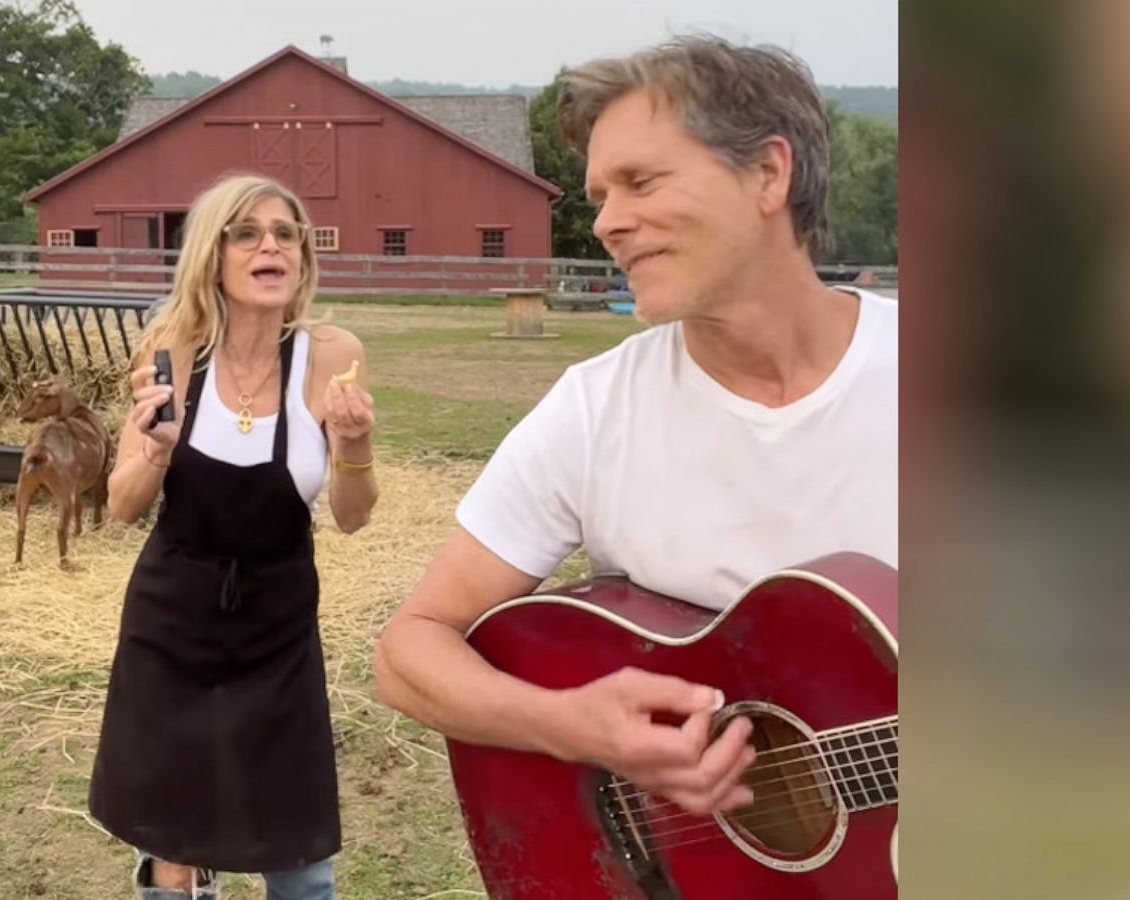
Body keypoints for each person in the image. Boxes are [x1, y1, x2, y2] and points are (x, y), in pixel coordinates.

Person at [374, 35, 897, 820]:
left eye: (641, 182)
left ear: (767, 173)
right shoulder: (595, 410)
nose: (610, 225)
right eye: (601, 199)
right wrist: (571, 726)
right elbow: (408, 651)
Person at [90, 173, 379, 900]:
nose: (269, 247)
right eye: (246, 233)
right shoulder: (171, 351)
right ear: (212, 257)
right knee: (174, 849)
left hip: (277, 629)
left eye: (285, 234)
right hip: (172, 625)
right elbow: (122, 506)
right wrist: (156, 448)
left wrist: (354, 446)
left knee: (299, 850)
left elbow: (351, 514)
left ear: (303, 257)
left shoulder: (332, 354)